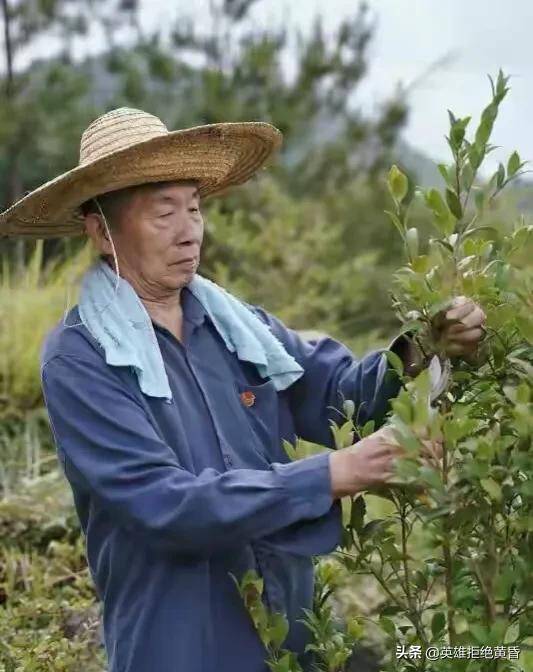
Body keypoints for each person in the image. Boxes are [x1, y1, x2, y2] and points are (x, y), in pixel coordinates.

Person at [0, 108, 486, 672]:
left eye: (194, 208)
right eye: (164, 213)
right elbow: (162, 505)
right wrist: (333, 473)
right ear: (101, 230)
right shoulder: (81, 357)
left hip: (288, 630)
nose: (190, 231)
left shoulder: (237, 327)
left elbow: (343, 397)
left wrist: (424, 345)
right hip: (179, 643)